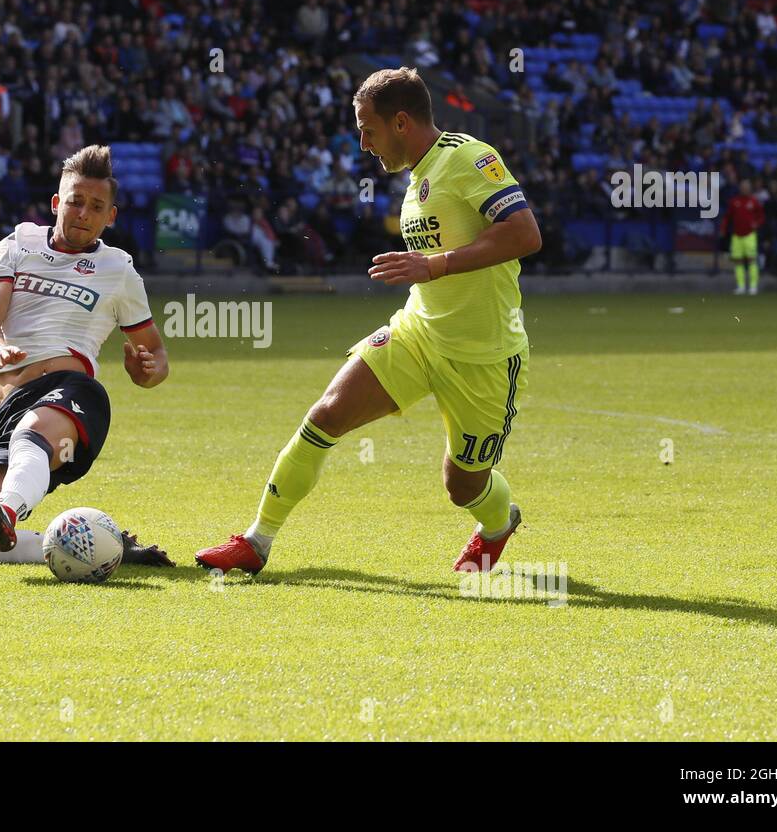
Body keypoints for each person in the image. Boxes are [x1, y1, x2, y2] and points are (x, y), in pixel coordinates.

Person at [196, 67, 541, 575]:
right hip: (418, 334)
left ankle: (497, 524)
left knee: (462, 485)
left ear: (401, 121)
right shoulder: (416, 179)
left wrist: (433, 264)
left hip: (484, 356)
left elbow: (525, 234)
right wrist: (427, 271)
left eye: (368, 129)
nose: (362, 144)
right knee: (327, 414)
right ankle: (256, 542)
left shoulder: (469, 157)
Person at [0, 145, 173, 567]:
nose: (83, 213)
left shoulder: (118, 269)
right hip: (9, 410)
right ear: (56, 203)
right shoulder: (18, 244)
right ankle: (107, 547)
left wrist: (147, 370)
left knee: (33, 433)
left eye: (96, 206)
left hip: (73, 395)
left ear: (111, 216)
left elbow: (154, 353)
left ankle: (7, 512)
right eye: (75, 201)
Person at [720, 179, 765, 294]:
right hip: (736, 236)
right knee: (738, 261)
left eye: (747, 186)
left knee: (751, 260)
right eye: (743, 186)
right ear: (740, 188)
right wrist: (723, 228)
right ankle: (741, 286)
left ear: (750, 188)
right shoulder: (734, 201)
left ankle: (753, 286)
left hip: (749, 235)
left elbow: (761, 216)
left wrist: (756, 224)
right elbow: (727, 217)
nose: (745, 189)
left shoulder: (754, 201)